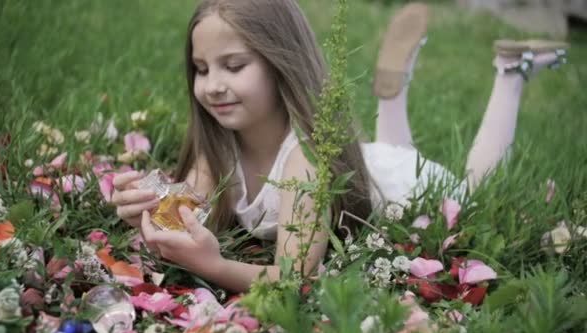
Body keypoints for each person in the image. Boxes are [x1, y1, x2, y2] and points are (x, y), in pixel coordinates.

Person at [110, 1, 568, 292]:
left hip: (400, 187)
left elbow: (294, 277)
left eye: (233, 65)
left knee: (476, 189)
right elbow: (189, 210)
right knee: (385, 151)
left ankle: (510, 72)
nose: (212, 86)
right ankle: (393, 89)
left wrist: (214, 265)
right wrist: (149, 210)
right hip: (362, 165)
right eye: (202, 68)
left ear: (280, 63)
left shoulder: (302, 166)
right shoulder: (219, 146)